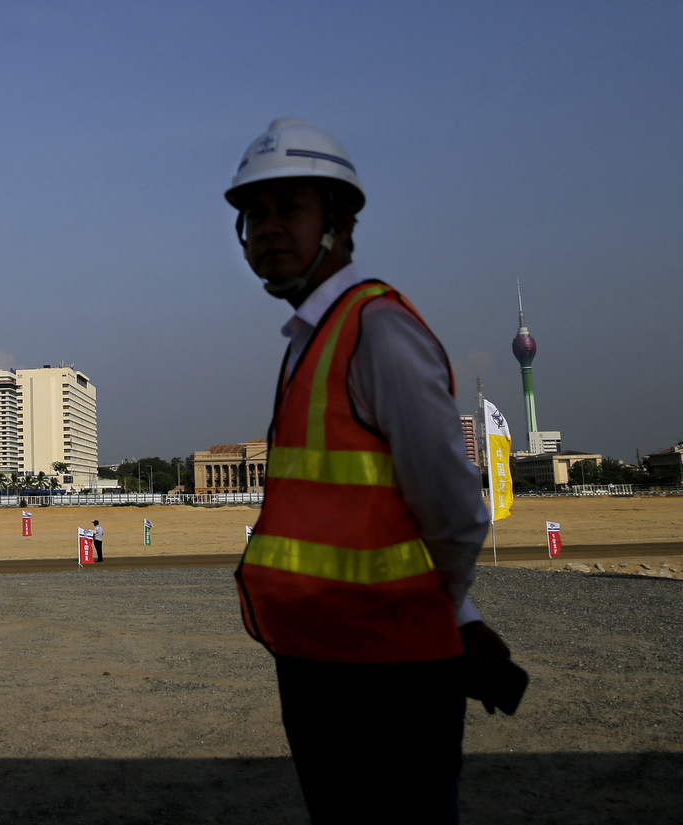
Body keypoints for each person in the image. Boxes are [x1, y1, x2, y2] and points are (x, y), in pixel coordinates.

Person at [225, 118, 521, 823]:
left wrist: (444, 612)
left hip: (386, 678)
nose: (268, 228)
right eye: (254, 214)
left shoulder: (378, 331)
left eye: (289, 208)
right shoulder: (309, 339)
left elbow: (452, 509)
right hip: (319, 666)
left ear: (341, 219)